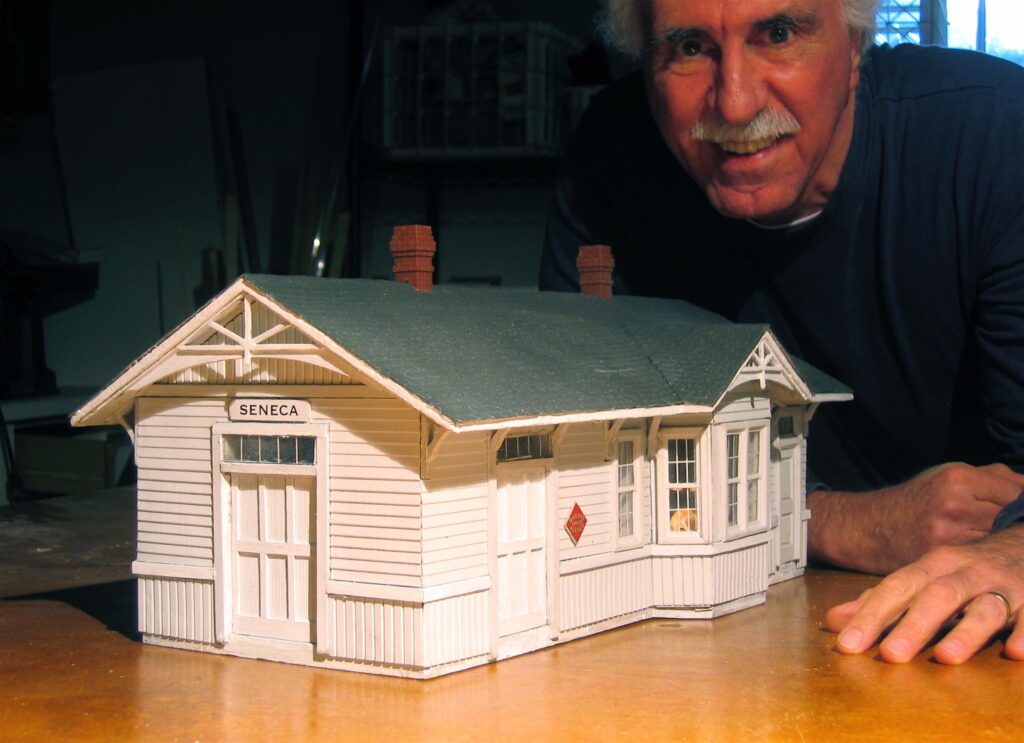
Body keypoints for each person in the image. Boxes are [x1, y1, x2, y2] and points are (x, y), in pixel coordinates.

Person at [541, 0, 1024, 664]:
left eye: (778, 34)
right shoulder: (611, 159)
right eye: (688, 48)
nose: (734, 105)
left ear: (856, 44)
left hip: (954, 648)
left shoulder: (996, 137)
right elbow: (580, 472)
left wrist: (1012, 545)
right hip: (723, 641)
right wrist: (838, 522)